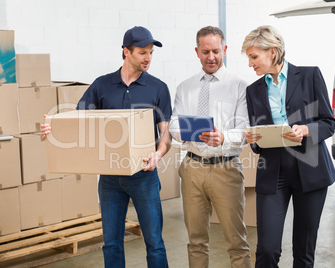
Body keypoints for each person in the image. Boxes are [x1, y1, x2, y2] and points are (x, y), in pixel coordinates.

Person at [41, 26, 172, 268]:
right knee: (111, 242)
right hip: (110, 179)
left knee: (155, 243)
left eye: (151, 53)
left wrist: (159, 154)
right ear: (126, 52)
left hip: (145, 176)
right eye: (143, 52)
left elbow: (166, 134)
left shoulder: (158, 88)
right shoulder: (102, 85)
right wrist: (53, 129)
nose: (148, 58)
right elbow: (78, 121)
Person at [241, 25, 335, 268]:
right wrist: (254, 140)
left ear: (272, 51)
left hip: (310, 171)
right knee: (267, 250)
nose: (250, 64)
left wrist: (306, 130)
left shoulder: (309, 76)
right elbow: (257, 139)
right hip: (273, 172)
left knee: (304, 251)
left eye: (254, 57)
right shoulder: (253, 91)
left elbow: (329, 122)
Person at [169, 26, 253, 268]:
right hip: (192, 168)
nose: (211, 57)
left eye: (216, 51)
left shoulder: (239, 86)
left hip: (225, 170)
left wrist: (223, 137)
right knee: (195, 241)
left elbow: (246, 130)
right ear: (197, 52)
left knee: (236, 242)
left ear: (224, 50)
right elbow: (174, 123)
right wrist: (187, 133)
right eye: (205, 51)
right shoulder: (185, 87)